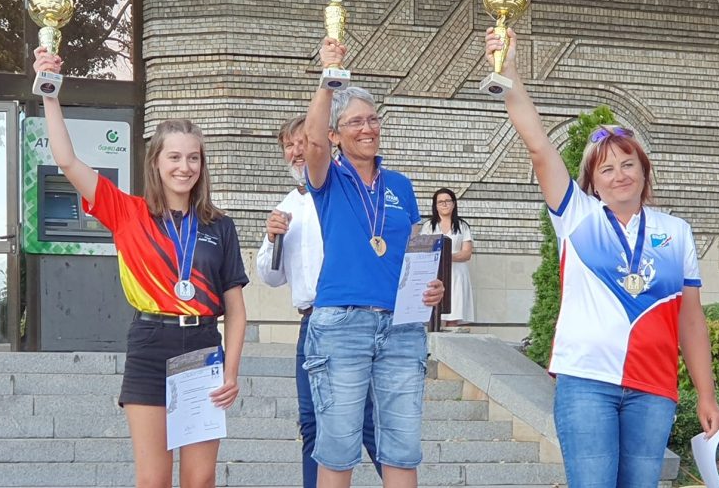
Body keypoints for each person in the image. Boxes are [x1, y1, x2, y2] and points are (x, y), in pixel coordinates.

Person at [484, 28, 719, 487]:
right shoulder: (576, 215)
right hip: (586, 381)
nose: (619, 176)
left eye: (628, 164)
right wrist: (510, 74)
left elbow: (690, 321)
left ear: (644, 170)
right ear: (592, 181)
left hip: (653, 388)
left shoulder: (676, 232)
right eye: (607, 168)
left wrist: (706, 396)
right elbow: (539, 146)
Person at [33, 47, 248, 488]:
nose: (184, 167)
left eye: (193, 158)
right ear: (156, 162)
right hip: (151, 343)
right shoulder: (126, 211)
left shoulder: (219, 226)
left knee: (201, 478)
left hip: (203, 345)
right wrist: (50, 95)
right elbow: (68, 162)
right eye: (174, 157)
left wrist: (230, 370)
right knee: (153, 480)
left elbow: (237, 309)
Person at [303, 37, 445, 488]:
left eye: (373, 119)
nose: (367, 128)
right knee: (339, 447)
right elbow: (310, 141)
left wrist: (431, 287)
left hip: (401, 327)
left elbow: (412, 252)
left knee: (402, 447)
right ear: (336, 133)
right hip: (341, 322)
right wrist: (328, 80)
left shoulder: (400, 185)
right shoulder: (328, 175)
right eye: (355, 122)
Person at [254, 116, 381, 487]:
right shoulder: (286, 204)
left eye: (301, 143)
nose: (296, 152)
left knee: (366, 419)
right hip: (311, 322)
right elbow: (271, 276)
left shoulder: (347, 191)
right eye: (289, 146)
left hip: (352, 319)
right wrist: (272, 236)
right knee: (311, 421)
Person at [420, 188, 475, 326]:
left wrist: (445, 257)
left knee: (454, 312)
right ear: (435, 205)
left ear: (454, 204)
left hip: (456, 274)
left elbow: (466, 253)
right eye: (440, 202)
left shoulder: (462, 226)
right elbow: (422, 249)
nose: (444, 204)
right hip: (434, 273)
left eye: (448, 201)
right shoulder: (428, 226)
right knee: (434, 313)